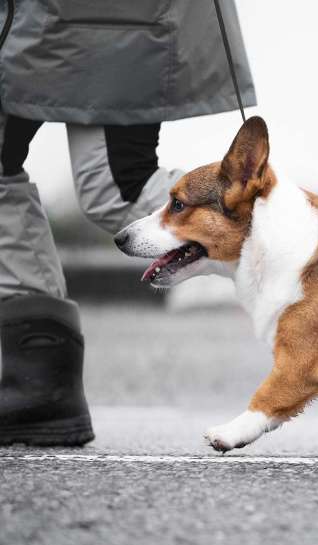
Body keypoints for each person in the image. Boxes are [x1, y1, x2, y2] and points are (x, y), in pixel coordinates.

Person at [0, 0, 256, 446]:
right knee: (112, 183)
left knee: (115, 184)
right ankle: (37, 377)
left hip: (97, 16)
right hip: (66, 18)